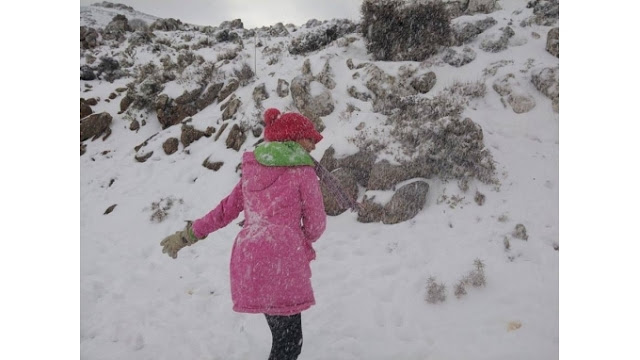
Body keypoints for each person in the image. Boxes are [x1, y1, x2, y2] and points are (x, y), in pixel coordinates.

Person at [160, 108, 327, 360]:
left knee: (283, 338)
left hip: (251, 259)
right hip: (283, 261)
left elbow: (225, 210)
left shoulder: (253, 168)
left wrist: (188, 235)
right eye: (310, 139)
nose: (314, 145)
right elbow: (316, 224)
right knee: (290, 344)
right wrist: (298, 236)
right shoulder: (302, 171)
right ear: (293, 139)